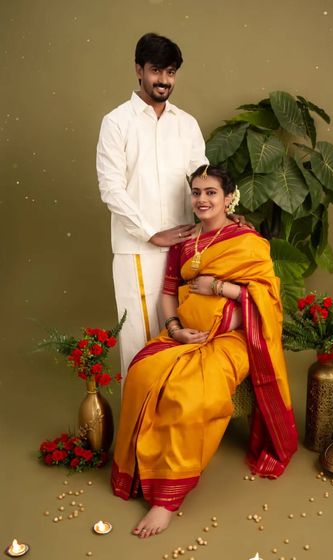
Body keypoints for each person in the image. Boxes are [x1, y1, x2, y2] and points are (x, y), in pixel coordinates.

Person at [111, 164, 298, 538]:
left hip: (233, 340)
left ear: (229, 198)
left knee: (189, 393)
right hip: (186, 335)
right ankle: (137, 469)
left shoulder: (246, 240)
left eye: (211, 192)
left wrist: (220, 289)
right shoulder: (184, 242)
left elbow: (267, 300)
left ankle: (166, 499)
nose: (202, 199)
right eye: (197, 192)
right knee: (141, 373)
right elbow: (168, 295)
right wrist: (176, 330)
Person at [96, 33, 208, 382]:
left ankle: (172, 428)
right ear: (138, 70)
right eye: (156, 70)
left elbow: (203, 177)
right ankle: (139, 429)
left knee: (179, 337)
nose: (163, 80)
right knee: (140, 344)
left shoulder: (186, 124)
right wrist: (150, 234)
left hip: (185, 248)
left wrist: (227, 209)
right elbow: (111, 188)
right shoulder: (117, 122)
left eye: (171, 72)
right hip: (136, 250)